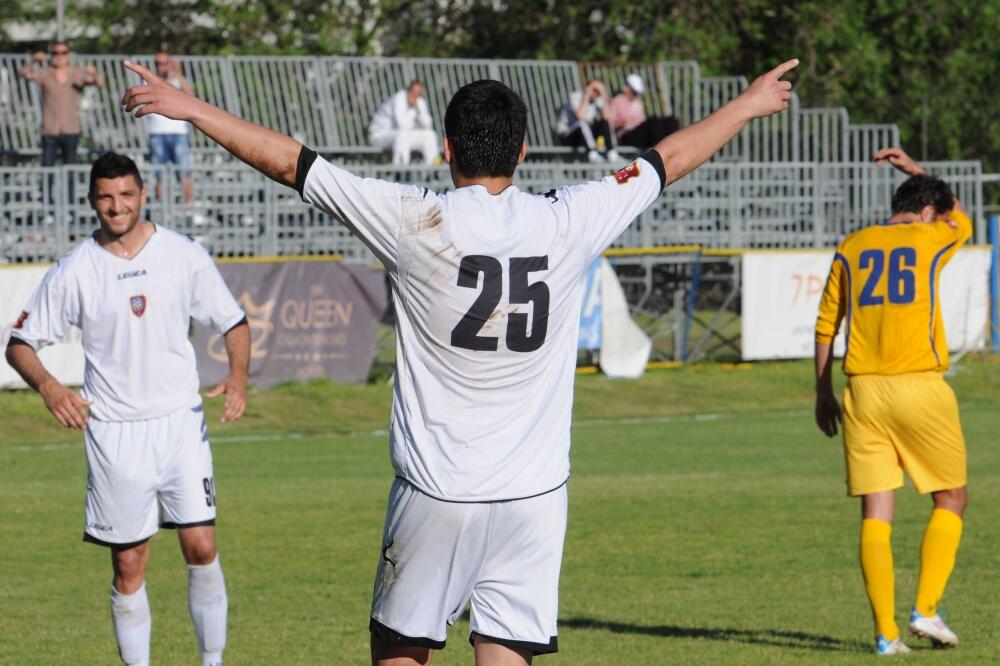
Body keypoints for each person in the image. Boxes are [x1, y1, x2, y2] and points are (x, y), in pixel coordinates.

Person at [120, 55, 797, 665]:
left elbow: (293, 163)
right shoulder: (569, 217)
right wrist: (746, 104)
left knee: (400, 651)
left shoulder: (412, 218)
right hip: (535, 498)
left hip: (438, 489)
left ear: (446, 149)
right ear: (524, 150)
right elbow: (665, 160)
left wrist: (192, 108)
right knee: (505, 654)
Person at [5, 152, 250, 666]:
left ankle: (212, 662)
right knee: (130, 564)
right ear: (92, 201)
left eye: (125, 195)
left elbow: (233, 321)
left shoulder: (182, 254)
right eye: (105, 197)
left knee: (202, 547)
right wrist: (50, 389)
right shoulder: (76, 269)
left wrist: (237, 378)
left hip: (180, 424)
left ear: (143, 195)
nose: (116, 206)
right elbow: (20, 344)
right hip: (115, 433)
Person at [814, 147, 971, 656]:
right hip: (918, 387)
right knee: (951, 498)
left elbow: (826, 324)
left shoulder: (852, 244)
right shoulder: (932, 235)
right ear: (926, 212)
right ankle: (925, 609)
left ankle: (886, 635)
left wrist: (822, 392)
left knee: (876, 513)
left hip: (861, 392)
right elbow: (961, 215)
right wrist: (918, 170)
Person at [19, 41, 105, 167]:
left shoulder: (77, 74)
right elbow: (23, 73)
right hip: (49, 130)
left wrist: (94, 73)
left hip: (70, 129)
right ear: (51, 55)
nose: (60, 56)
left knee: (70, 169)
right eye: (56, 53)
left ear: (68, 54)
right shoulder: (45, 73)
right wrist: (33, 61)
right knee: (47, 170)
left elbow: (100, 84)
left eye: (63, 52)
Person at [146, 51, 194, 204]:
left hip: (179, 133)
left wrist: (177, 73)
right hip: (157, 133)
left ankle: (188, 209)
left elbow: (191, 97)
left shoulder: (179, 81)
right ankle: (161, 208)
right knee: (159, 175)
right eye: (159, 63)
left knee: (184, 173)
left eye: (166, 62)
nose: (163, 66)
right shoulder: (150, 81)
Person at [369, 79, 441, 165]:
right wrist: (414, 113)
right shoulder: (399, 99)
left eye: (419, 92)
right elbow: (401, 125)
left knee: (430, 135)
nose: (416, 95)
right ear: (408, 91)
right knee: (402, 135)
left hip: (402, 135)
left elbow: (428, 125)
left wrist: (418, 110)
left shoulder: (419, 102)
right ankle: (401, 170)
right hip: (378, 134)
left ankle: (433, 169)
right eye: (414, 91)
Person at [556, 78, 621, 163]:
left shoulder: (598, 100)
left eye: (598, 91)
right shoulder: (575, 96)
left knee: (605, 122)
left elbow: (607, 117)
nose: (596, 93)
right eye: (594, 90)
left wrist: (603, 93)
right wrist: (587, 95)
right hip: (568, 136)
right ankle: (592, 154)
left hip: (587, 137)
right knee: (582, 123)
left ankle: (611, 152)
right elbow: (580, 116)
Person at [609, 74, 679, 150]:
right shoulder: (617, 101)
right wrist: (621, 122)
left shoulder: (638, 103)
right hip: (626, 135)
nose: (635, 94)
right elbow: (610, 123)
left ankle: (675, 145)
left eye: (636, 92)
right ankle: (662, 147)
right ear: (626, 88)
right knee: (653, 121)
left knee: (670, 120)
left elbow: (642, 121)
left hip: (640, 132)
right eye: (633, 91)